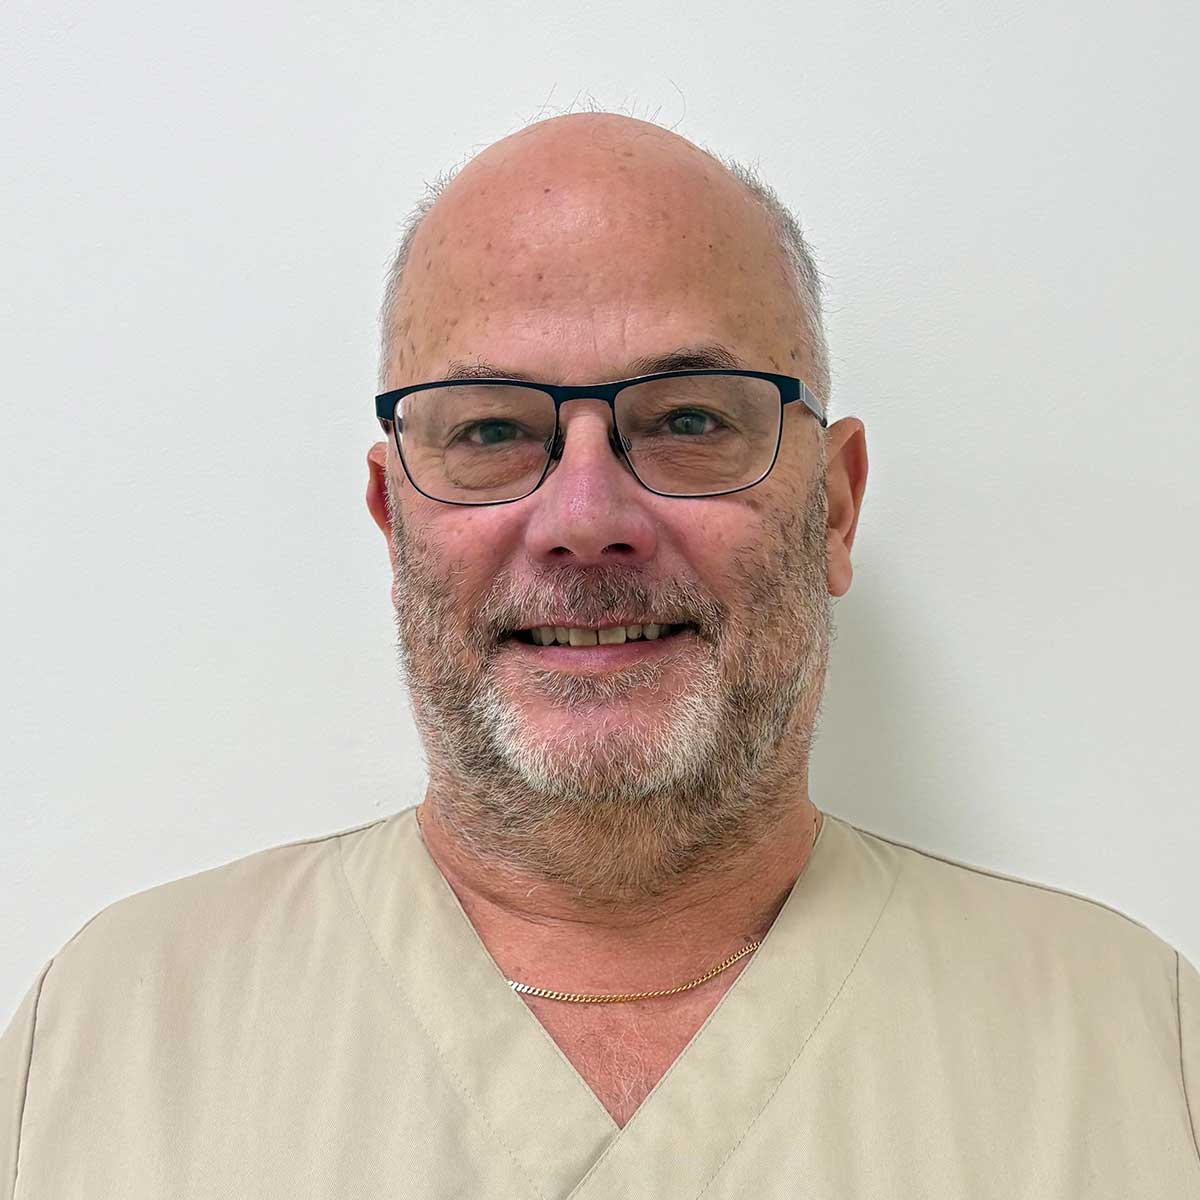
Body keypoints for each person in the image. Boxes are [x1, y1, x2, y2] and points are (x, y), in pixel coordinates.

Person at [2, 112, 1197, 1198]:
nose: (584, 518)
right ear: (392, 518)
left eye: (690, 419)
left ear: (834, 507)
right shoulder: (105, 1045)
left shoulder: (1137, 1054)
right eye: (489, 429)